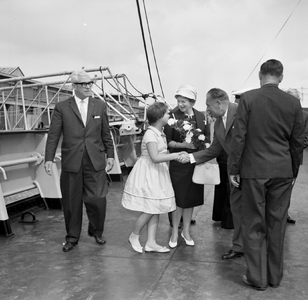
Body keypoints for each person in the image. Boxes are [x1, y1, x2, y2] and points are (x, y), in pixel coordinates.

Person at [228, 59, 304, 290]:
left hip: (253, 171)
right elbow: (297, 142)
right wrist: (293, 170)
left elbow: (239, 137)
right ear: (281, 77)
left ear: (260, 76)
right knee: (277, 223)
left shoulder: (249, 99)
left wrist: (234, 168)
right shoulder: (293, 103)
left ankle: (257, 278)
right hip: (281, 170)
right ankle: (274, 277)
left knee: (253, 223)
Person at [44, 70, 115, 252]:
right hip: (72, 160)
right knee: (71, 202)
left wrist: (111, 155)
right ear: (73, 86)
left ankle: (96, 230)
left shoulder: (99, 105)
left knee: (98, 198)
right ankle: (72, 237)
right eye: (83, 84)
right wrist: (49, 159)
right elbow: (53, 135)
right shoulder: (62, 107)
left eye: (89, 83)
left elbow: (106, 133)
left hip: (95, 160)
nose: (87, 87)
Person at [178, 88, 242, 259]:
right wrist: (191, 157)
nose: (207, 110)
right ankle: (239, 247)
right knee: (238, 210)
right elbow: (215, 149)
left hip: (251, 171)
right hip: (234, 173)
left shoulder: (243, 112)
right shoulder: (219, 122)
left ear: (219, 103)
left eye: (208, 105)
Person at [122, 102, 183, 253]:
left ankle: (151, 242)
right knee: (150, 208)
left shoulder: (159, 132)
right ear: (159, 117)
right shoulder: (150, 134)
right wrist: (176, 155)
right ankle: (134, 235)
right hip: (149, 172)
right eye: (167, 113)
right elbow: (155, 157)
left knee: (155, 207)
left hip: (157, 172)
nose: (170, 115)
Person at [164, 84, 209, 248]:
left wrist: (202, 149)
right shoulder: (171, 116)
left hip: (195, 162)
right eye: (178, 100)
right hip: (178, 163)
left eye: (184, 101)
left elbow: (206, 137)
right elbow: (168, 142)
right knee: (178, 200)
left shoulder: (200, 116)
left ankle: (186, 231)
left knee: (190, 199)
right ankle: (175, 231)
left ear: (192, 101)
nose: (180, 104)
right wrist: (184, 145)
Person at [285, 88, 308, 224]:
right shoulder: (279, 113)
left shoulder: (304, 116)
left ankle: (284, 213)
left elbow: (305, 137)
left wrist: (293, 150)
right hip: (278, 156)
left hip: (294, 157)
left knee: (289, 186)